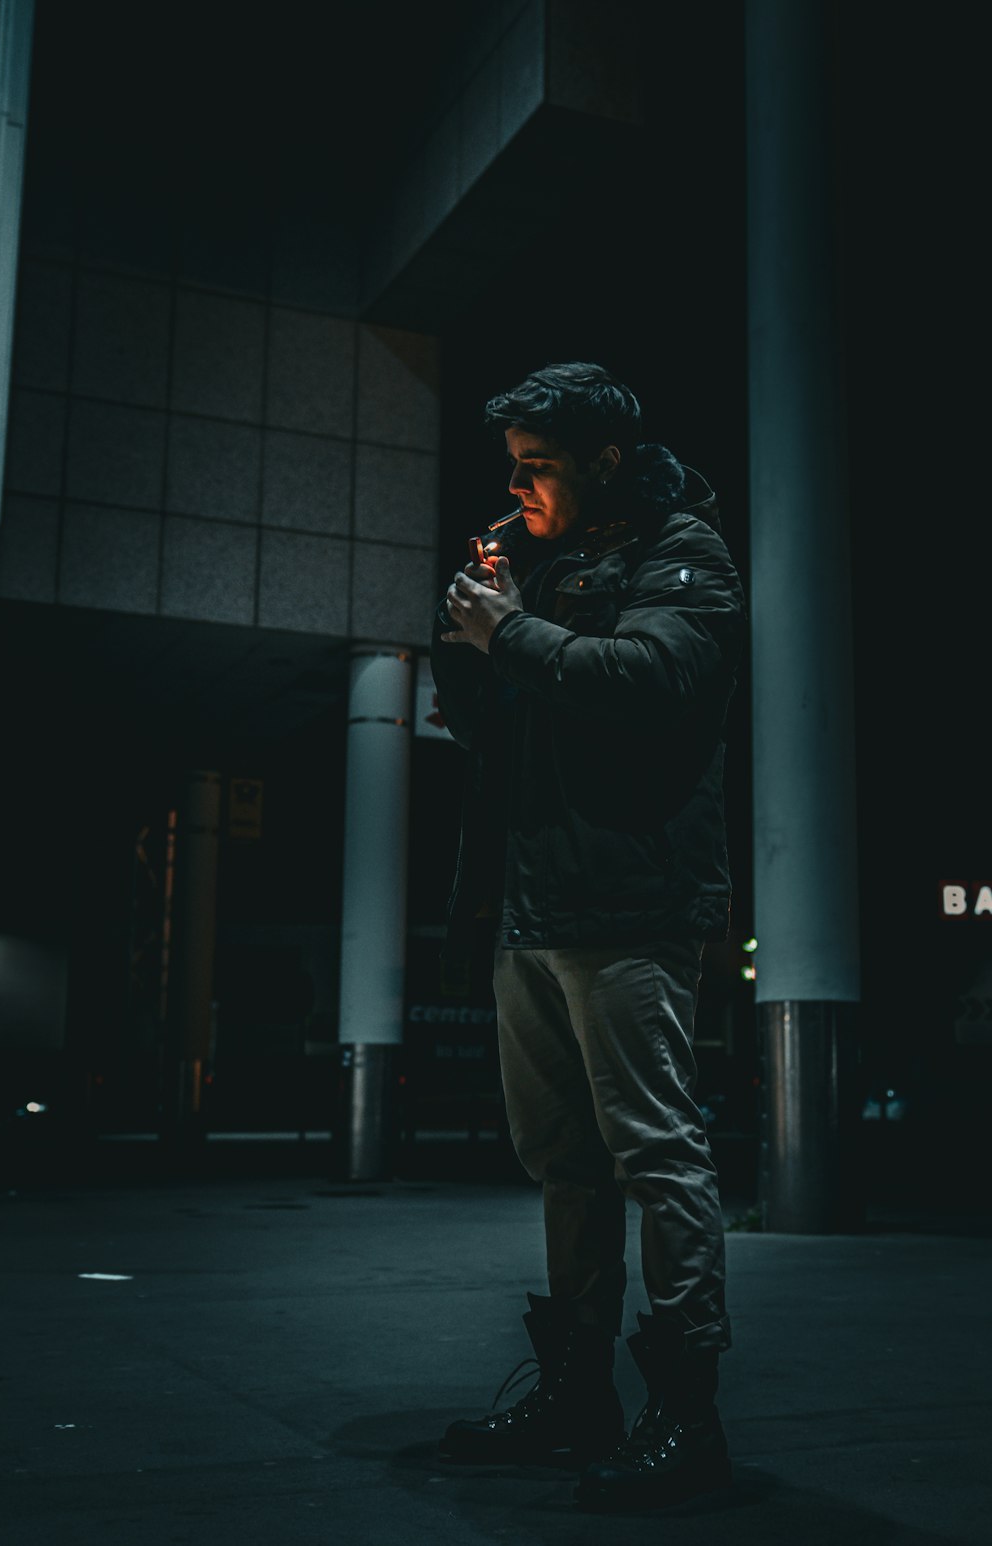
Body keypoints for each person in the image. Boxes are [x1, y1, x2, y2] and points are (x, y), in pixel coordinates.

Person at [429, 361, 747, 1514]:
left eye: (538, 465)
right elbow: (483, 728)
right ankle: (577, 1394)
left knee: (656, 1155)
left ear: (605, 460)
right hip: (536, 902)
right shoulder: (543, 564)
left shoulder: (683, 552)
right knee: (562, 1161)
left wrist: (511, 631)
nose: (517, 489)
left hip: (632, 902)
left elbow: (655, 677)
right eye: (510, 466)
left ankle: (685, 1414)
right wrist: (470, 637)